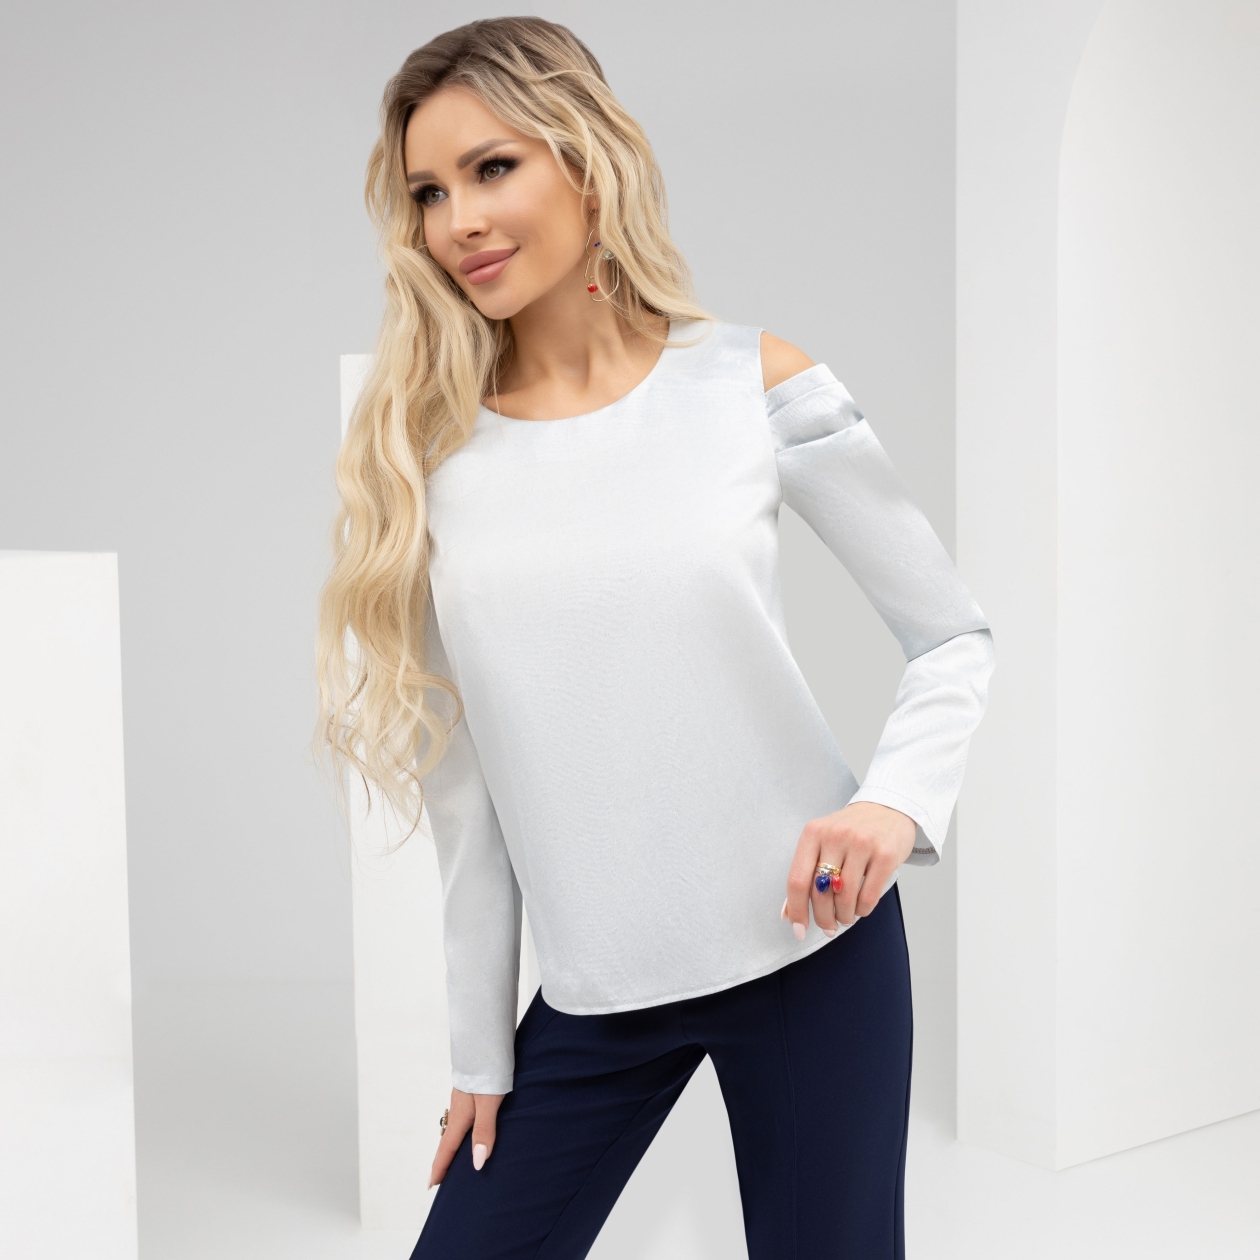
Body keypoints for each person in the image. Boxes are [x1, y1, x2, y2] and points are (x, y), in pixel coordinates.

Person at [316, 16, 994, 1259]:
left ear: (585, 162)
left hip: (811, 949)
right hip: (597, 993)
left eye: (492, 168)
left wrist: (893, 805)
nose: (459, 219)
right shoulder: (430, 464)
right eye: (428, 192)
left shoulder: (749, 386)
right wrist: (481, 1056)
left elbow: (950, 636)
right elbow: (468, 797)